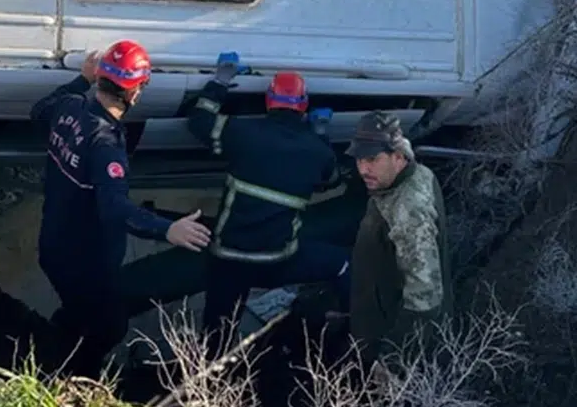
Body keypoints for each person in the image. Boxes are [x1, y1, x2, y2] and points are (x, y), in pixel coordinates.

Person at [31, 39, 212, 378]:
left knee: (80, 310)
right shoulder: (107, 145)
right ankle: (75, 376)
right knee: (109, 327)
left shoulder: (69, 106)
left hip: (54, 244)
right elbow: (114, 208)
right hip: (86, 261)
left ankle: (61, 333)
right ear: (136, 92)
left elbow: (39, 111)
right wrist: (167, 229)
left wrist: (79, 80)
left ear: (99, 77)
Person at [187, 51, 351, 355]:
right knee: (342, 262)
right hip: (278, 262)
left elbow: (198, 122)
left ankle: (206, 384)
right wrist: (320, 135)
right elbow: (332, 180)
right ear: (303, 106)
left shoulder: (242, 132)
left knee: (216, 337)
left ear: (268, 101)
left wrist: (220, 81)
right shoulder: (317, 152)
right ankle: (352, 337)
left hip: (228, 260)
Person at [345, 110, 452, 370]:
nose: (363, 169)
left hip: (396, 344)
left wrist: (392, 360)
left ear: (398, 157)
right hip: (378, 316)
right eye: (359, 159)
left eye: (372, 159)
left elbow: (424, 298)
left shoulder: (409, 211)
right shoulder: (412, 174)